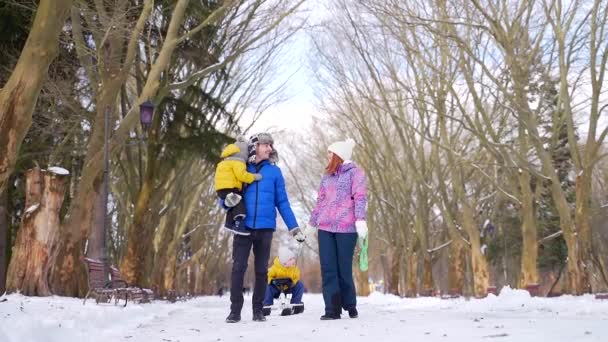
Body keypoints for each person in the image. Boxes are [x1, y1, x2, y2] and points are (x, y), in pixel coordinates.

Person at [226, 132, 306, 323]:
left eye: (271, 145)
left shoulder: (274, 172)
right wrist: (226, 202)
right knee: (238, 268)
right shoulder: (240, 167)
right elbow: (227, 191)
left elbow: (283, 202)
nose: (270, 148)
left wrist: (294, 228)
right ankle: (235, 311)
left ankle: (258, 310)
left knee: (262, 270)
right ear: (255, 146)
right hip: (243, 225)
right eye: (265, 145)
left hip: (265, 227)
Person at [309, 138, 368, 320]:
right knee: (328, 269)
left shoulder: (355, 173)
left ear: (338, 155)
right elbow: (320, 201)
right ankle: (331, 309)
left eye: (329, 153)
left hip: (346, 228)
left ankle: (350, 305)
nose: (327, 156)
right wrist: (311, 223)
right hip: (325, 228)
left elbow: (360, 197)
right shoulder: (326, 176)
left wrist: (360, 220)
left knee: (343, 269)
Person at [214, 135, 262, 235]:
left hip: (220, 189)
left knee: (233, 205)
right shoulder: (238, 161)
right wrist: (254, 177)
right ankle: (238, 225)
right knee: (240, 204)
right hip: (230, 188)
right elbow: (242, 176)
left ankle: (228, 224)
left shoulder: (225, 161)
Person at [262, 246, 305, 314]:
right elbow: (268, 276)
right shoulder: (275, 268)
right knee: (268, 287)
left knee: (300, 285)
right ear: (284, 262)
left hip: (289, 287)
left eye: (293, 258)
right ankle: (267, 304)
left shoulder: (294, 268)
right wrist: (272, 281)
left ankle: (295, 303)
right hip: (277, 288)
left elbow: (297, 277)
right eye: (291, 259)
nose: (293, 260)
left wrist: (293, 282)